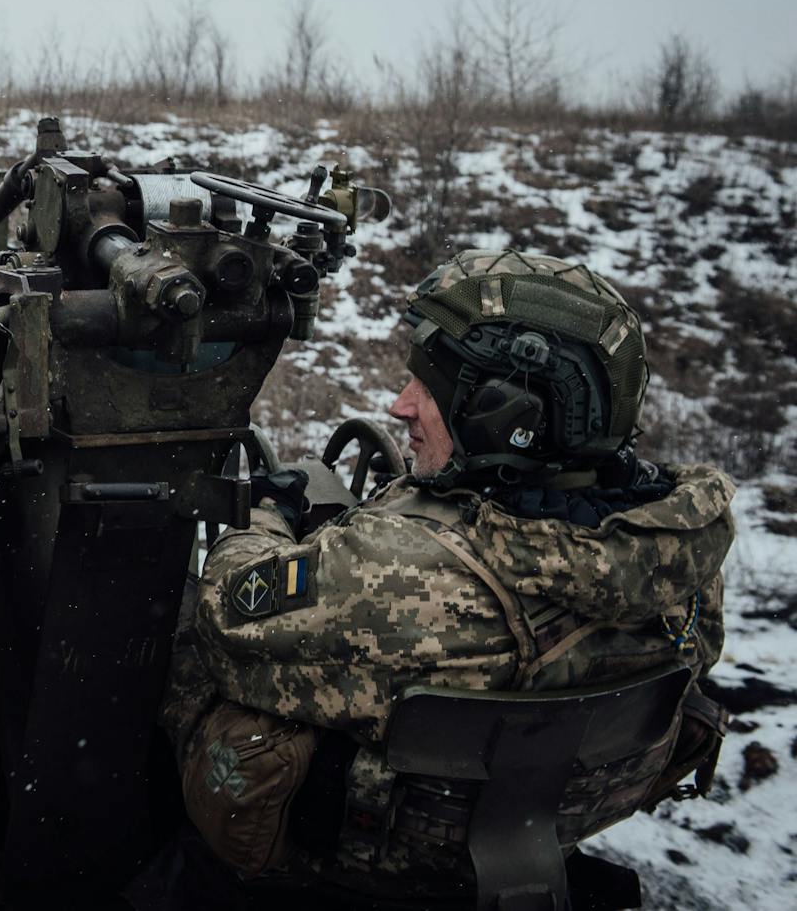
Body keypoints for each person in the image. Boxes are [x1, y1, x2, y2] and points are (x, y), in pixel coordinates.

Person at [169, 247, 734, 906]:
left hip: (358, 870)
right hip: (538, 839)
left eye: (428, 389)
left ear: (509, 417)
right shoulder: (686, 563)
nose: (401, 405)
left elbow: (227, 615)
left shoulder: (396, 579)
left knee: (178, 638)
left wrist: (268, 515)